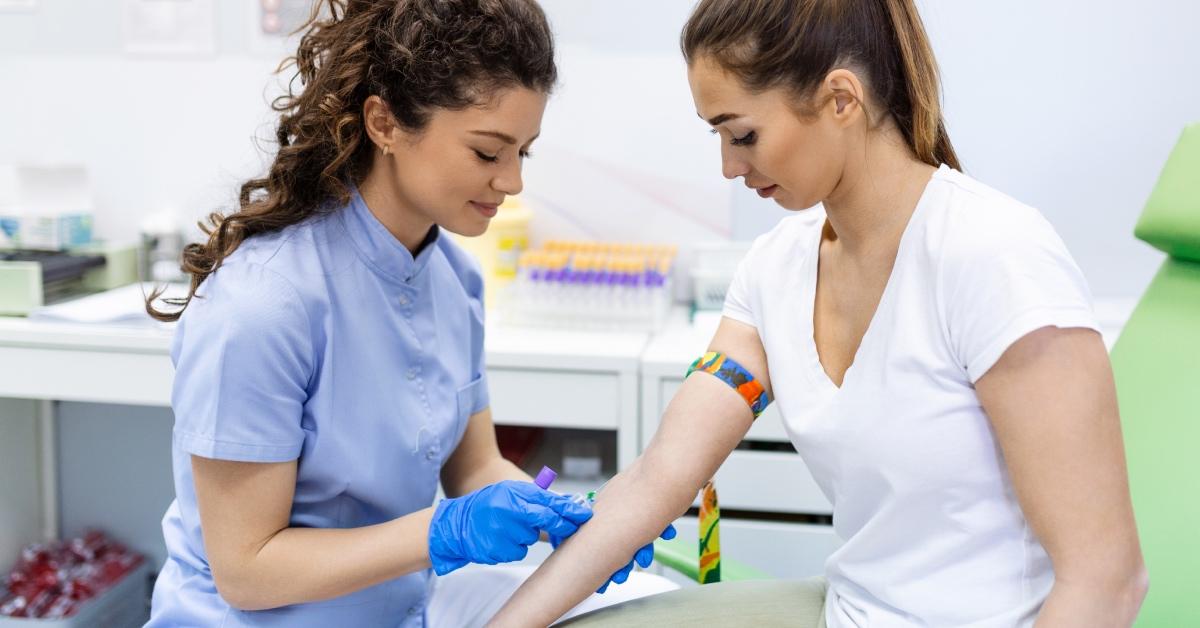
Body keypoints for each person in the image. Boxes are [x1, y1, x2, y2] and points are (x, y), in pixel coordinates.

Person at [488, 0, 1148, 626]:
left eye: (742, 134)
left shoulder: (993, 256)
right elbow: (659, 479)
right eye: (717, 136)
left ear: (840, 100)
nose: (727, 166)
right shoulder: (775, 272)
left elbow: (1107, 577)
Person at [143, 1, 673, 625]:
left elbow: (475, 466)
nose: (512, 183)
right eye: (487, 153)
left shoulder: (454, 280)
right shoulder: (263, 304)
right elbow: (246, 569)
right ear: (385, 123)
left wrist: (562, 518)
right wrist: (445, 530)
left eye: (522, 154)